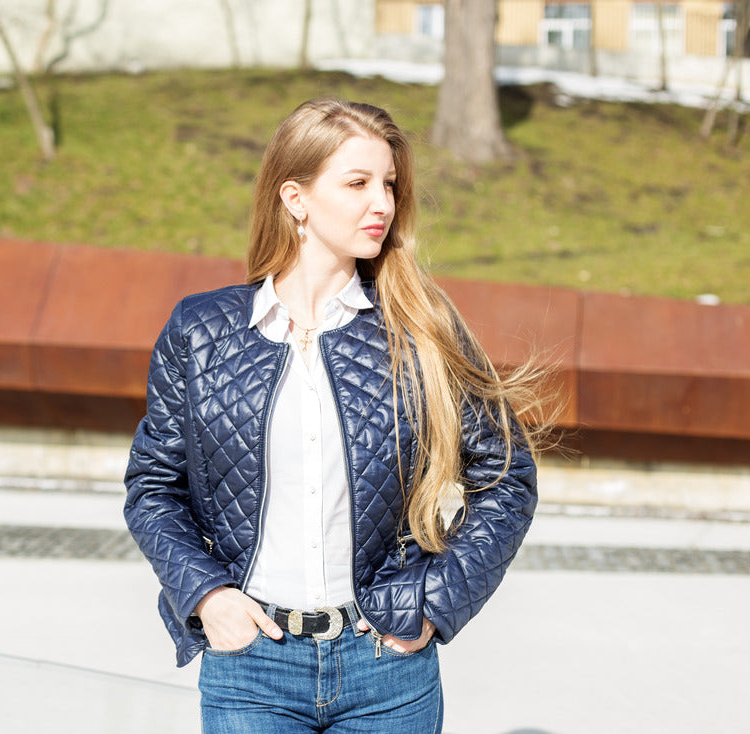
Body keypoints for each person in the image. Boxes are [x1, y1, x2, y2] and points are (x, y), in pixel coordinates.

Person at [124, 98, 544, 733]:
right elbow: (154, 487)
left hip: (387, 669)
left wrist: (433, 601)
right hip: (251, 668)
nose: (383, 203)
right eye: (358, 183)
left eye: (390, 185)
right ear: (296, 198)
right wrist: (207, 596)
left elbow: (506, 476)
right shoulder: (202, 330)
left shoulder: (420, 328)